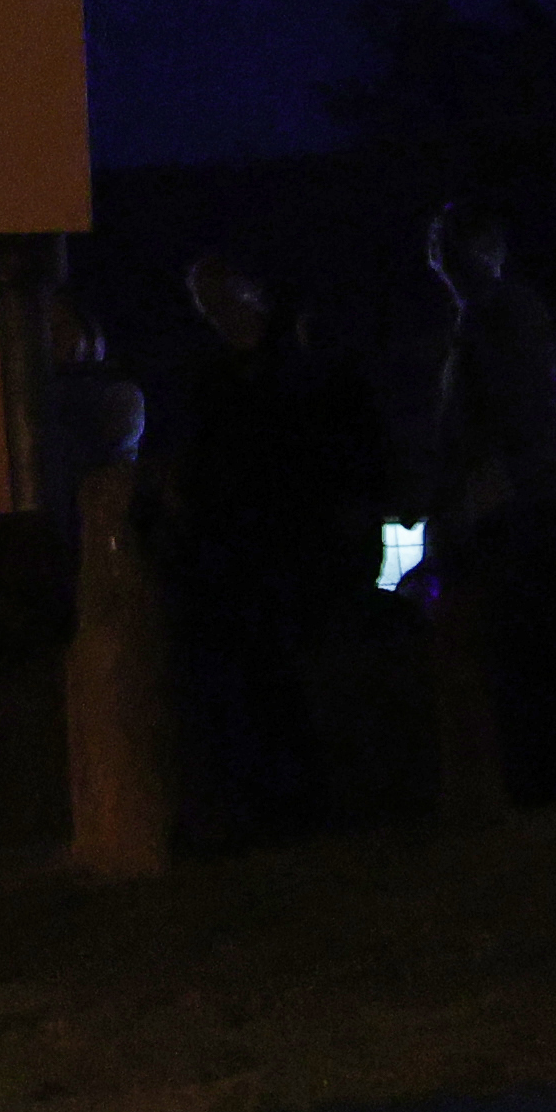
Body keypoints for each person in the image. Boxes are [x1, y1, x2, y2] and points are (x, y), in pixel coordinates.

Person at [147, 254, 398, 841]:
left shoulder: (283, 371)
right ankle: (276, 804)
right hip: (247, 549)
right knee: (258, 680)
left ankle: (287, 804)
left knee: (274, 679)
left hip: (276, 546)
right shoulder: (232, 374)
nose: (208, 306)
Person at [418, 207, 556, 801]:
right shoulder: (500, 315)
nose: (442, 261)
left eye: (449, 249)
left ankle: (545, 783)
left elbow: (501, 419)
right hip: (517, 511)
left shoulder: (495, 315)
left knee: (524, 657)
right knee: (528, 657)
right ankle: (551, 782)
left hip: (512, 515)